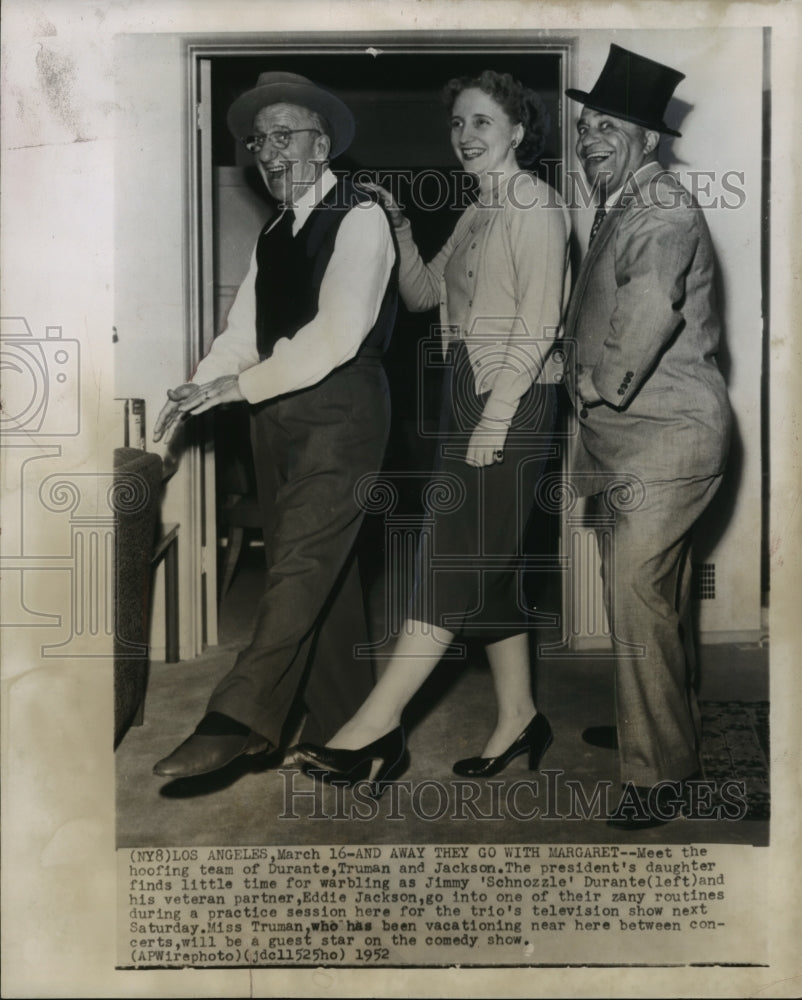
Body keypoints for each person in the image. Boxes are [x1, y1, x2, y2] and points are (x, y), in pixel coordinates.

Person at [290, 70, 571, 791]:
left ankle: (371, 729)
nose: (466, 137)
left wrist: (498, 420)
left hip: (513, 400)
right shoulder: (480, 211)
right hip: (466, 394)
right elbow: (422, 295)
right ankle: (520, 716)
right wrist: (399, 226)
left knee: (448, 560)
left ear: (517, 131)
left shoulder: (536, 207)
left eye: (483, 122)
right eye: (458, 125)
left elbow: (539, 325)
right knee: (490, 563)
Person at [151, 71, 398, 779]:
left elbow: (340, 331)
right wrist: (204, 382)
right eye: (258, 142)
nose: (268, 152)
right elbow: (243, 329)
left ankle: (238, 717)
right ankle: (359, 734)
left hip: (343, 410)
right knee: (326, 575)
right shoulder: (275, 228)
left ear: (320, 146)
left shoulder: (361, 216)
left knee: (296, 569)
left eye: (284, 136)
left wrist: (243, 383)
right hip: (275, 415)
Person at [563, 45, 731, 827]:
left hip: (666, 437)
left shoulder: (660, 208)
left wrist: (598, 381)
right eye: (587, 125)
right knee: (653, 599)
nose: (592, 138)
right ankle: (658, 727)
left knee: (634, 597)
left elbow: (649, 306)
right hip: (636, 441)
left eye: (610, 127)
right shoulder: (625, 199)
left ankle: (660, 771)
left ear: (650, 139)